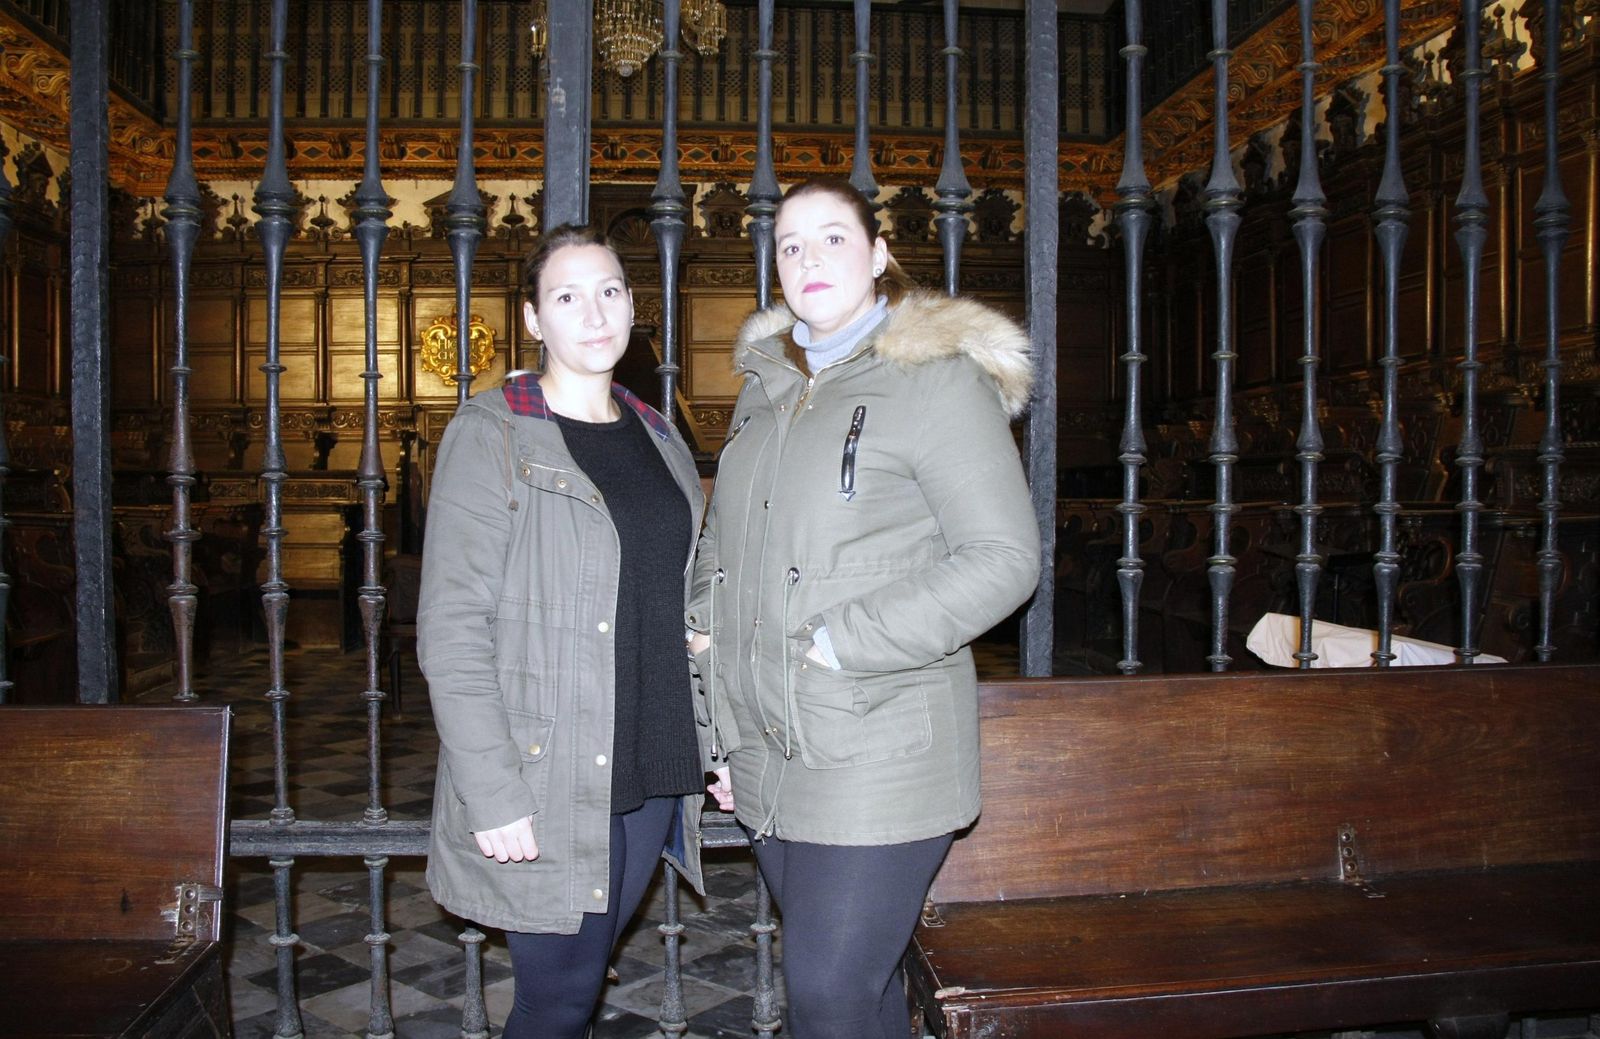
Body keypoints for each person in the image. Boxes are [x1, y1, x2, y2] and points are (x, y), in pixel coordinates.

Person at [686, 176, 1041, 1039]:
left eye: (832, 237)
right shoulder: (764, 388)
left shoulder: (933, 381)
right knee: (867, 996)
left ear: (878, 255)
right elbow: (721, 562)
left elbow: (1004, 560)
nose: (809, 257)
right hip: (770, 749)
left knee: (829, 995)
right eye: (790, 244)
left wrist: (842, 642)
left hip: (879, 742)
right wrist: (723, 727)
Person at [417, 225, 728, 1039]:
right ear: (531, 318)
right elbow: (452, 627)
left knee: (579, 990)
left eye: (610, 290)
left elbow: (685, 612)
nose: (594, 313)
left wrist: (721, 744)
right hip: (548, 776)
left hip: (653, 760)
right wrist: (492, 790)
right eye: (566, 295)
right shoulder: (493, 433)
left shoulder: (658, 434)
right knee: (554, 1003)